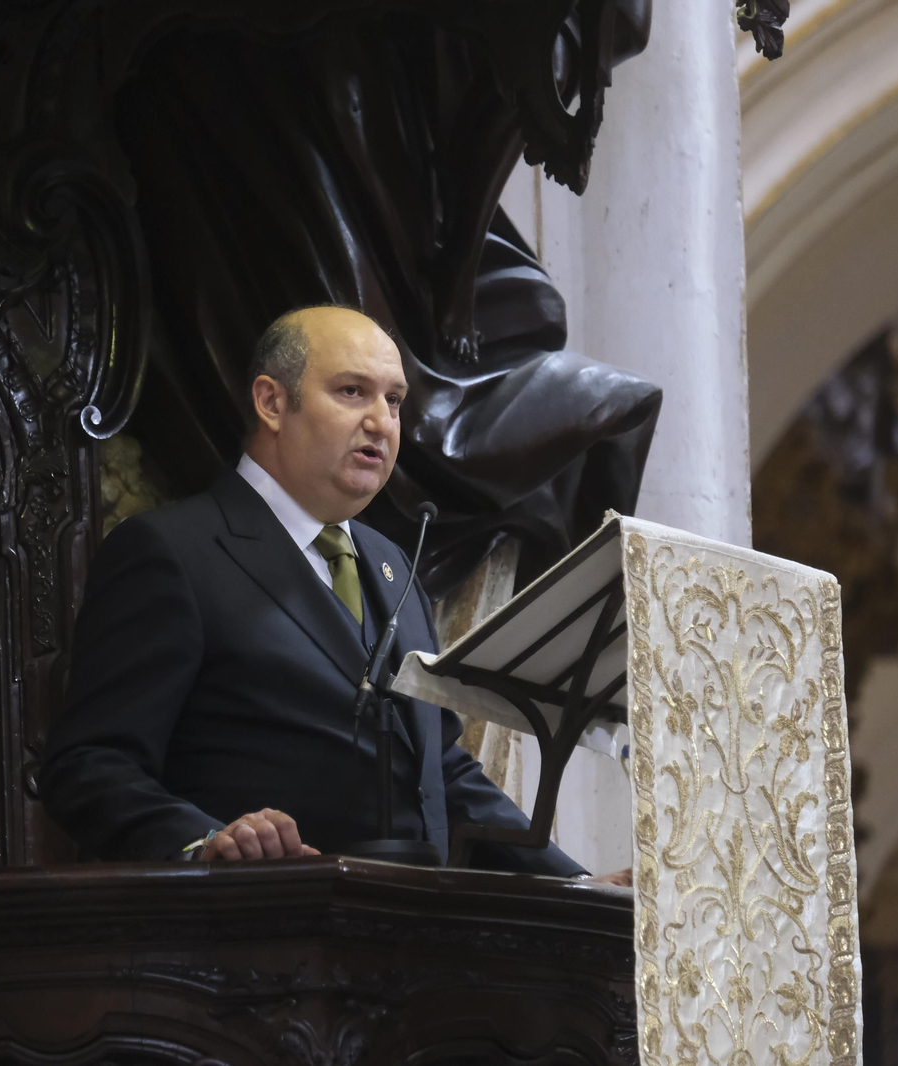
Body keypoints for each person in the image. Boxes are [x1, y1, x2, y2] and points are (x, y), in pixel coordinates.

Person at [40, 305, 629, 883]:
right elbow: (89, 765)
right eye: (353, 392)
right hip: (256, 940)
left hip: (416, 946)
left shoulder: (392, 563)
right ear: (272, 402)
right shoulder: (172, 553)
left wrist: (575, 888)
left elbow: (439, 772)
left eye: (394, 401)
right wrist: (203, 843)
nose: (382, 421)